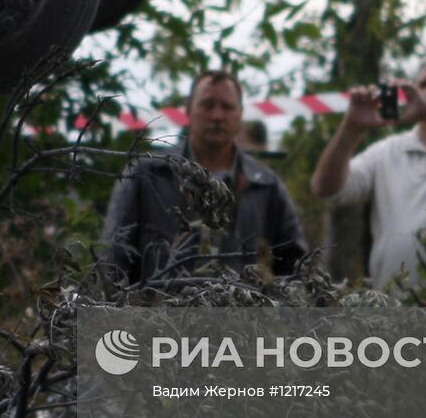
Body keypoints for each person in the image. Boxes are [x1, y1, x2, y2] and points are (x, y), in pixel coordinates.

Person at [101, 70, 308, 284]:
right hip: (156, 314)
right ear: (188, 110)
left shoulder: (266, 185)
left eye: (227, 107)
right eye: (208, 105)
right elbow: (112, 260)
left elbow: (296, 267)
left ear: (240, 114)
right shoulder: (145, 175)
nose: (217, 116)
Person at [310, 51, 426, 289]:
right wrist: (351, 128)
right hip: (392, 311)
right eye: (422, 84)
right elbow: (325, 189)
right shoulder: (387, 151)